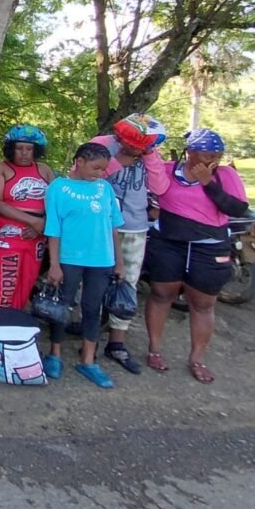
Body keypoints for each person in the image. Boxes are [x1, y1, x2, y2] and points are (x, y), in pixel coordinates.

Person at [144, 128, 248, 384]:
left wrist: (207, 183)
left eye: (217, 154)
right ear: (189, 152)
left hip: (208, 246)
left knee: (202, 304)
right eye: (205, 153)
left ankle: (197, 358)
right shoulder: (169, 170)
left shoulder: (225, 175)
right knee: (161, 294)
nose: (211, 159)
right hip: (168, 243)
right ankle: (155, 349)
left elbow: (237, 208)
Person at [89, 114, 169, 374]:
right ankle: (88, 336)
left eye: (138, 146)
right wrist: (118, 162)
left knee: (127, 284)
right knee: (93, 281)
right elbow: (80, 177)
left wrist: (149, 157)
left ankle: (117, 342)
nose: (131, 148)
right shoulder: (102, 144)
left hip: (133, 226)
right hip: (97, 225)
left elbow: (160, 187)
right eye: (127, 143)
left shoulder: (151, 154)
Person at [43, 142, 125, 389]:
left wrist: (119, 262)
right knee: (62, 306)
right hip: (69, 258)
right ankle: (54, 353)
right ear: (79, 161)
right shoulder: (58, 188)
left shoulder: (105, 189)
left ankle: (88, 360)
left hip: (101, 260)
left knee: (93, 308)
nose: (100, 173)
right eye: (96, 167)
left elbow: (114, 227)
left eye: (104, 169)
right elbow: (53, 229)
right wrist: (54, 264)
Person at [0, 125, 55, 313]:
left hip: (37, 236)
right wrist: (33, 221)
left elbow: (56, 203)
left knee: (26, 284)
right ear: (11, 148)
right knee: (5, 287)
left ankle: (13, 332)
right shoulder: (0, 168)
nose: (24, 153)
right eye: (19, 148)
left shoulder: (45, 170)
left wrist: (43, 224)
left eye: (29, 148)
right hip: (7, 234)